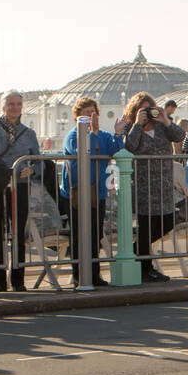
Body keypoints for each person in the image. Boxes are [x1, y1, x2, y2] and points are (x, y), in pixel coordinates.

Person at [61, 97, 125, 287]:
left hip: (98, 192)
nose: (90, 116)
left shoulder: (103, 134)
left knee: (95, 234)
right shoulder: (72, 135)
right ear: (77, 116)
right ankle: (79, 275)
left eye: (93, 112)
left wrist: (118, 133)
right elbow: (84, 150)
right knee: (79, 235)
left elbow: (117, 150)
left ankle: (94, 275)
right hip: (77, 192)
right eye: (86, 112)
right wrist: (94, 133)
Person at [0, 90, 41, 292]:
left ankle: (18, 279)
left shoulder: (29, 133)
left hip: (21, 188)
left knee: (18, 234)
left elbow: (39, 163)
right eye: (11, 104)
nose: (15, 108)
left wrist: (31, 169)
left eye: (18, 104)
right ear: (3, 106)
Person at [125, 92, 185, 281]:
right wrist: (137, 124)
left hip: (164, 184)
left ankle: (133, 252)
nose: (147, 113)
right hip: (144, 185)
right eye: (142, 109)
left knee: (167, 220)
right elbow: (129, 147)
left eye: (149, 108)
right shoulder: (130, 127)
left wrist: (165, 120)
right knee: (146, 226)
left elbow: (179, 135)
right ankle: (145, 267)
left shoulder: (161, 126)